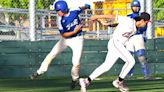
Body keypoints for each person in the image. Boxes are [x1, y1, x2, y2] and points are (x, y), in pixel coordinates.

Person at [79, 12, 150, 92]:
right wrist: (97, 16)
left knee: (106, 66)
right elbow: (113, 16)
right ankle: (119, 81)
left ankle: (86, 81)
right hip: (116, 42)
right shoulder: (129, 20)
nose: (146, 24)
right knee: (131, 61)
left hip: (118, 45)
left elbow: (118, 25)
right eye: (147, 22)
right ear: (142, 20)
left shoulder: (136, 29)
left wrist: (108, 24)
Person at [30, 0, 90, 89]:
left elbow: (80, 8)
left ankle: (74, 79)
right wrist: (74, 31)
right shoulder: (60, 20)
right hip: (65, 39)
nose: (57, 12)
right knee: (51, 54)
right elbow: (63, 34)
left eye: (58, 10)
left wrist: (86, 6)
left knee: (76, 63)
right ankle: (39, 71)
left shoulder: (73, 11)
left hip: (78, 39)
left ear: (64, 9)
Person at [126, 0, 150, 79]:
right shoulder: (128, 16)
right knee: (129, 56)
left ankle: (146, 74)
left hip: (138, 36)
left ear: (139, 7)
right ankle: (128, 74)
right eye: (134, 6)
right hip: (130, 37)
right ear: (131, 7)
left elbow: (144, 27)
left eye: (137, 6)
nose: (135, 8)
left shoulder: (142, 16)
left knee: (141, 56)